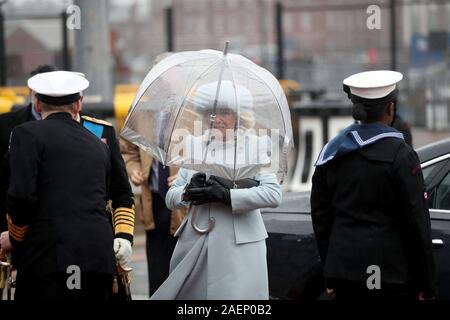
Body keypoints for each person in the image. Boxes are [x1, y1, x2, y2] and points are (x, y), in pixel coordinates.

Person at [150, 80, 282, 300]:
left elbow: (273, 194)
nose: (217, 119)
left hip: (240, 247)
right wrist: (187, 192)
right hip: (197, 243)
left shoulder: (256, 145)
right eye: (211, 113)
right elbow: (171, 198)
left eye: (224, 112)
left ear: (238, 116)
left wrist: (227, 196)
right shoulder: (192, 144)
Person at [311, 70, 436, 300]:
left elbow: (321, 219)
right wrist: (427, 284)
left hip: (343, 271)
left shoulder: (331, 152)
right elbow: (417, 222)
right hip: (388, 274)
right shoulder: (401, 155)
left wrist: (329, 275)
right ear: (390, 108)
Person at [0, 66, 135, 279]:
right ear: (78, 102)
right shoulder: (14, 128)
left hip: (53, 251)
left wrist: (123, 236)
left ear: (37, 101)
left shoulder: (100, 132)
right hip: (63, 249)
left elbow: (121, 193)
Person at [0, 65, 57, 234]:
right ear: (30, 90)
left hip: (58, 218)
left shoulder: (78, 124)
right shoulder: (5, 125)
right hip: (16, 221)